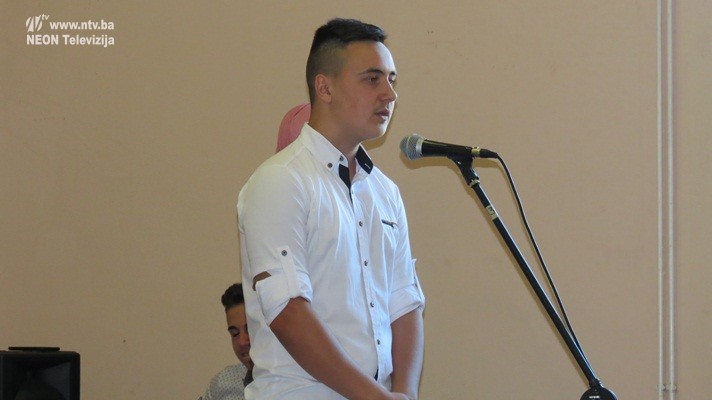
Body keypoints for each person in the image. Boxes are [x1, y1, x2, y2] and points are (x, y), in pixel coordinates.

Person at [237, 18, 425, 400]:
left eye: (392, 80)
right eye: (372, 79)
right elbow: (288, 311)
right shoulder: (281, 180)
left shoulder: (385, 192)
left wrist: (404, 393)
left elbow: (405, 303)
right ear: (324, 87)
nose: (389, 94)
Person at [200, 283, 254, 400]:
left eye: (249, 329)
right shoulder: (222, 383)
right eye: (235, 334)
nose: (242, 342)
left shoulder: (292, 381)